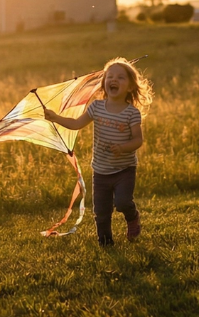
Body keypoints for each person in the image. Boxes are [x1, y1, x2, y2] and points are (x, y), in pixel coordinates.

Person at [44, 58, 152, 246]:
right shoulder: (96, 107)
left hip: (124, 169)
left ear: (130, 86)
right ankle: (105, 242)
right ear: (104, 83)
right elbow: (76, 124)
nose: (114, 80)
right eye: (110, 76)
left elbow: (138, 140)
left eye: (120, 77)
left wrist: (123, 148)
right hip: (101, 171)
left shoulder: (131, 113)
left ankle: (132, 217)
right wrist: (55, 118)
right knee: (101, 211)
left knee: (123, 202)